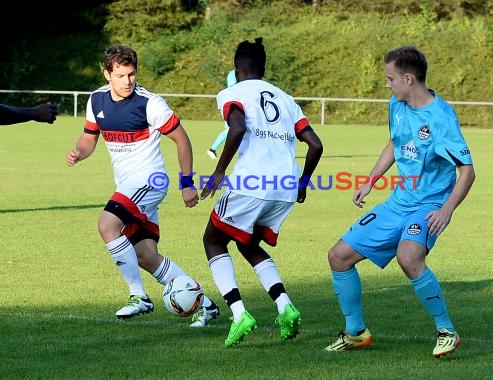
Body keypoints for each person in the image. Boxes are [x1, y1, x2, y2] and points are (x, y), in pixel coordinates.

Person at [324, 45, 475, 357]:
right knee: (338, 256)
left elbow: (467, 171)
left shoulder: (441, 118)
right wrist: (369, 180)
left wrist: (447, 209)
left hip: (429, 204)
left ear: (408, 79)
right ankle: (355, 332)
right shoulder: (396, 103)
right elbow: (396, 142)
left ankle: (446, 330)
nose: (387, 84)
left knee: (409, 258)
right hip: (398, 202)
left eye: (390, 78)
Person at [66, 44, 219, 326]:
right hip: (128, 185)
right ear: (107, 74)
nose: (128, 81)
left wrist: (187, 183)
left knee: (107, 225)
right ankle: (205, 304)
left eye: (132, 75)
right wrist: (79, 152)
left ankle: (139, 297)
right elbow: (89, 138)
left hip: (150, 180)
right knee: (145, 256)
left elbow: (182, 139)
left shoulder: (150, 104)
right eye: (121, 75)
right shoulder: (96, 100)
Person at [200, 37, 323, 347]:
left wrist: (218, 171)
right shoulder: (285, 98)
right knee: (248, 243)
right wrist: (304, 183)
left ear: (236, 68)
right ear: (263, 68)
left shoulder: (232, 93)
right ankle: (285, 307)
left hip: (252, 183)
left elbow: (237, 127)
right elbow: (316, 144)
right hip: (284, 186)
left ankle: (239, 313)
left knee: (213, 240)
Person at [206, 69, 237, 159]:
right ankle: (212, 149)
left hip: (236, 103)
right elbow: (232, 87)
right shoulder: (233, 73)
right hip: (233, 103)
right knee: (229, 130)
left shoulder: (240, 72)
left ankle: (213, 150)